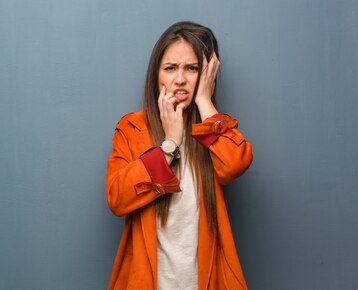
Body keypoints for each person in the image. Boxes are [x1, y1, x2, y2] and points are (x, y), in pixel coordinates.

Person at [105, 21, 253, 290]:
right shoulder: (132, 128)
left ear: (206, 75)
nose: (180, 79)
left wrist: (205, 102)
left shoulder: (216, 128)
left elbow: (234, 164)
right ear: (156, 75)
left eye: (192, 68)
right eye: (170, 68)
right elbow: (117, 197)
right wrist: (169, 145)